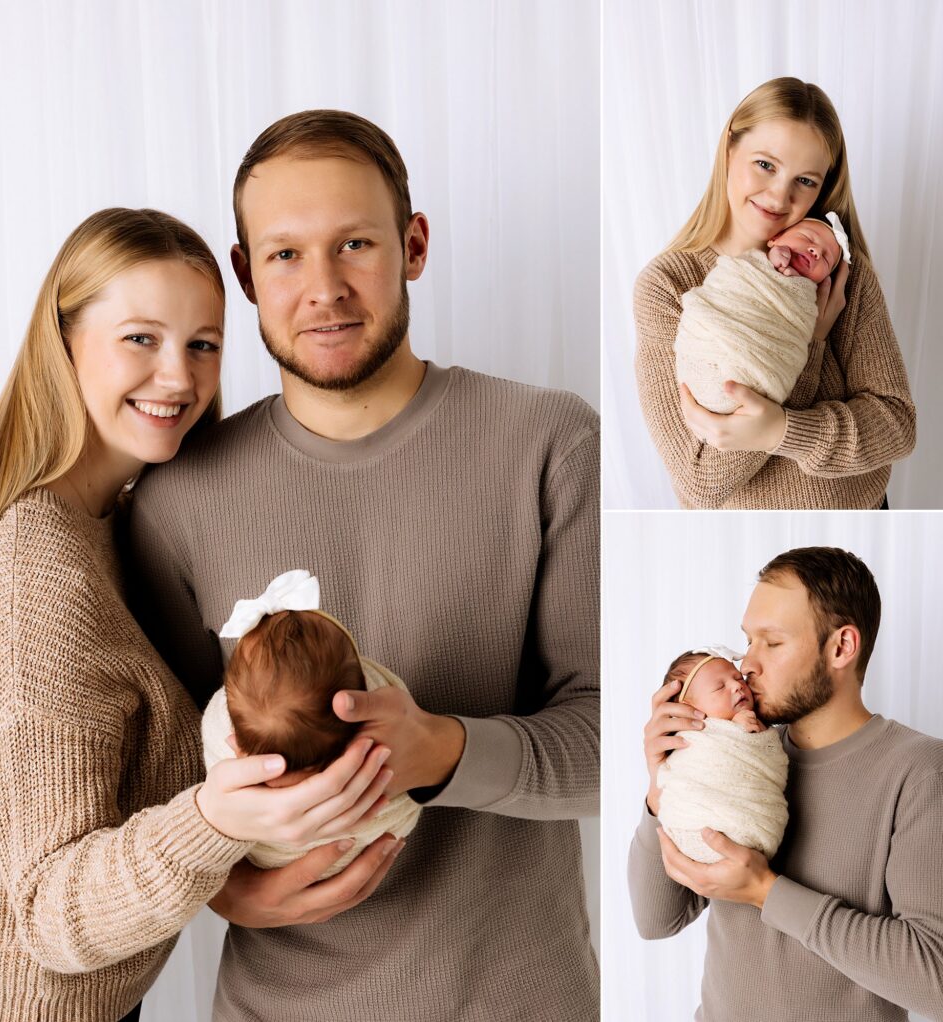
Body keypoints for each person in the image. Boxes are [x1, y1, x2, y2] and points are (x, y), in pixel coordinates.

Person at [127, 109, 600, 1021]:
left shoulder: (547, 441)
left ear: (414, 245)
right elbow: (161, 792)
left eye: (355, 244)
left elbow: (611, 745)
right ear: (244, 276)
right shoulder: (176, 499)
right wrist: (224, 888)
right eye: (285, 256)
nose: (324, 289)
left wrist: (442, 749)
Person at [0, 208, 394, 1022]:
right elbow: (52, 913)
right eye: (140, 339)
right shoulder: (38, 573)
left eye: (203, 344)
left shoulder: (107, 521)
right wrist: (216, 820)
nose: (178, 377)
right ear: (62, 342)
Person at [629, 547, 943, 1021]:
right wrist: (661, 788)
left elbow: (934, 980)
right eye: (747, 641)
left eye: (771, 643)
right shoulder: (737, 764)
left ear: (841, 647)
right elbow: (656, 922)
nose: (746, 665)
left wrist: (765, 892)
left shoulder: (919, 770)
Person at [634, 77, 916, 509]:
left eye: (805, 180)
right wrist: (809, 342)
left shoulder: (838, 271)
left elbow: (897, 425)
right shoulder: (669, 286)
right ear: (730, 150)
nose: (779, 195)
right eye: (765, 165)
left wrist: (781, 431)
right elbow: (701, 482)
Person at [201, 569, 422, 876]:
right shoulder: (380, 709)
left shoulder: (221, 732)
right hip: (372, 839)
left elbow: (215, 768)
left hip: (272, 863)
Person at [675, 215, 846, 414]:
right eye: (807, 237)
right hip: (709, 341)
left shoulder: (810, 298)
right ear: (775, 238)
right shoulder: (754, 261)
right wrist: (772, 260)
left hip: (759, 369)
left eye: (826, 258)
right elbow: (735, 280)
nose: (816, 251)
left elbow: (795, 331)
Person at [654, 648, 789, 865]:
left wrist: (744, 732)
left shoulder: (763, 728)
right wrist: (654, 777)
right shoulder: (691, 739)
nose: (737, 684)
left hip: (753, 824)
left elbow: (768, 754)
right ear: (688, 709)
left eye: (737, 678)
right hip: (693, 827)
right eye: (719, 687)